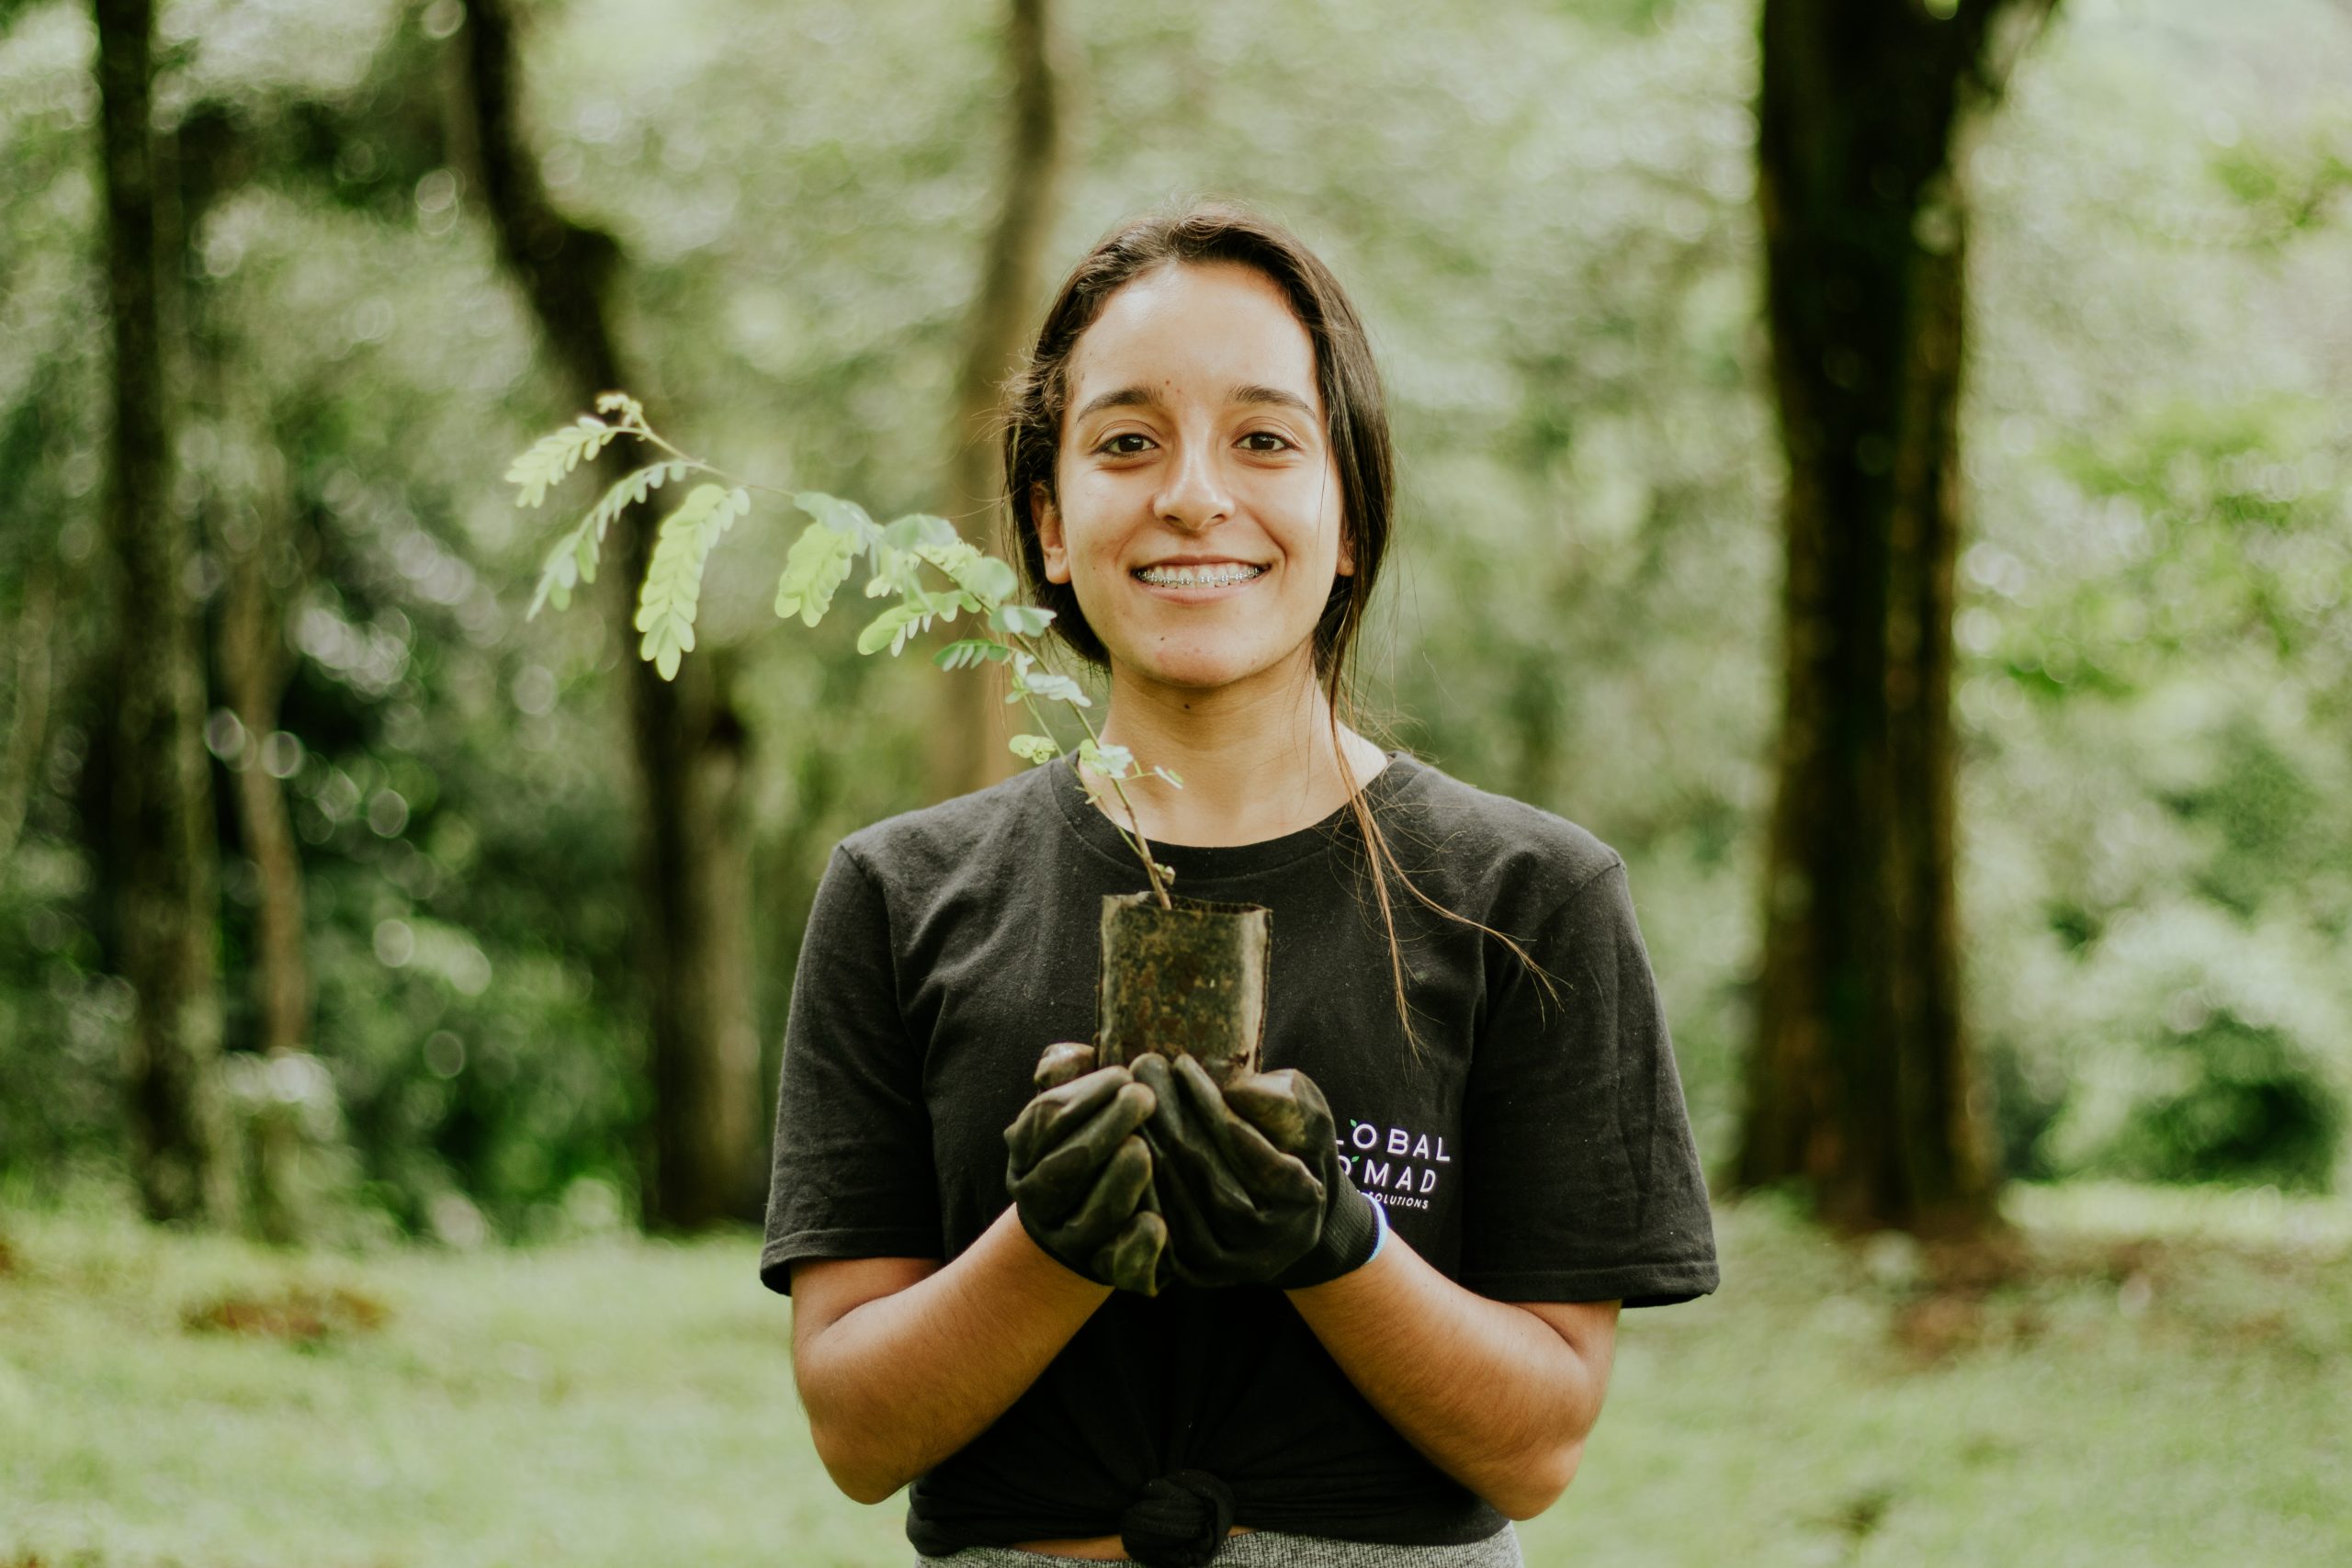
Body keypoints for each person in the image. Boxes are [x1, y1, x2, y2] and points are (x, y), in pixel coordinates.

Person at [760, 199, 1719, 1568]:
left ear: (1346, 522)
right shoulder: (899, 893)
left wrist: (1336, 1242)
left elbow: (1540, 1442)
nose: (1194, 494)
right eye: (1127, 442)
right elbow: (856, 1434)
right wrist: (1051, 1244)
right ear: (1047, 522)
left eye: (1265, 439)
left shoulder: (1527, 897)